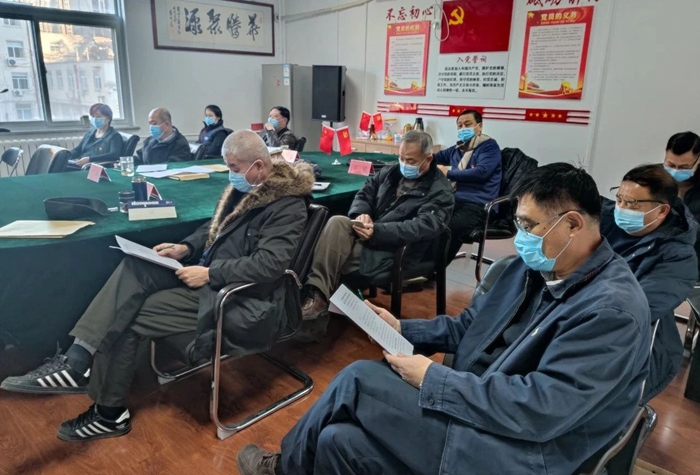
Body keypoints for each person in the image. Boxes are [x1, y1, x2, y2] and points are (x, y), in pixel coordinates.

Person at [237, 163, 651, 475]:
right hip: (483, 410)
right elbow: (470, 327)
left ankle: (282, 469)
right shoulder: (528, 270)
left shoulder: (611, 311)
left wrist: (435, 380)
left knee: (358, 380)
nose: (521, 236)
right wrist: (402, 328)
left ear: (573, 224)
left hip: (521, 452)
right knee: (335, 441)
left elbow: (540, 410)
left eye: (528, 225)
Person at [0, 130, 315, 441]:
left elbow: (270, 265)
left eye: (234, 168)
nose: (231, 174)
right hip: (211, 277)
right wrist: (186, 247)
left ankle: (108, 413)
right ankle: (78, 359)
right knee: (135, 265)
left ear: (258, 166)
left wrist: (210, 274)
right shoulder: (249, 188)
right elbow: (215, 227)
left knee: (128, 312)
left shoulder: (287, 205)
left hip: (237, 298)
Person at [298, 130, 454, 341]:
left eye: (410, 160)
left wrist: (378, 231)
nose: (404, 164)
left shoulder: (440, 191)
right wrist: (361, 214)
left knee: (328, 255)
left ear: (428, 159)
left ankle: (315, 310)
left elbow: (421, 227)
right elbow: (365, 193)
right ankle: (318, 296)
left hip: (397, 248)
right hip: (370, 233)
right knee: (337, 222)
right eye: (401, 158)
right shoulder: (391, 172)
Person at [601, 164, 697, 402]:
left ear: (662, 210)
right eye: (619, 199)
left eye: (632, 204)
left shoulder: (678, 257)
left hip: (628, 341)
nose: (621, 208)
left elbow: (633, 310)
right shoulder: (603, 219)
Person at [433, 109, 502, 262]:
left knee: (449, 229)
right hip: (453, 199)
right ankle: (415, 266)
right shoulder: (458, 148)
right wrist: (415, 158)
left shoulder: (489, 147)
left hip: (477, 204)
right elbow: (434, 158)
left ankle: (433, 270)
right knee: (428, 220)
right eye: (460, 125)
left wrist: (448, 173)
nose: (463, 128)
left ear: (480, 126)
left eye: (468, 124)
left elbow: (481, 172)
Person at [663, 131, 700, 269]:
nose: (675, 171)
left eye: (684, 167)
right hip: (657, 258)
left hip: (693, 263)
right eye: (670, 165)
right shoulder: (651, 179)